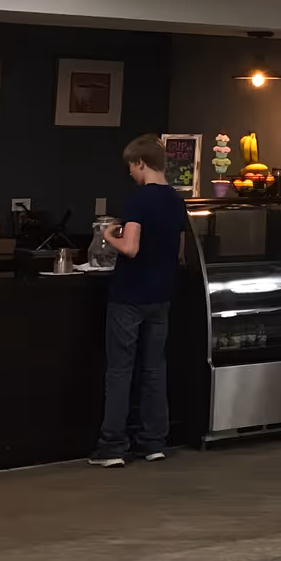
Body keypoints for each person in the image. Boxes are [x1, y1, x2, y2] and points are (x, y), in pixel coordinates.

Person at [90, 134, 187, 466]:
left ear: (140, 163)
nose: (130, 173)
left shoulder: (138, 199)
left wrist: (108, 235)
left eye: (131, 166)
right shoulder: (176, 200)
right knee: (154, 369)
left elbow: (131, 248)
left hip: (129, 294)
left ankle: (112, 447)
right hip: (161, 295)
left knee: (120, 370)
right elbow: (179, 251)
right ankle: (153, 442)